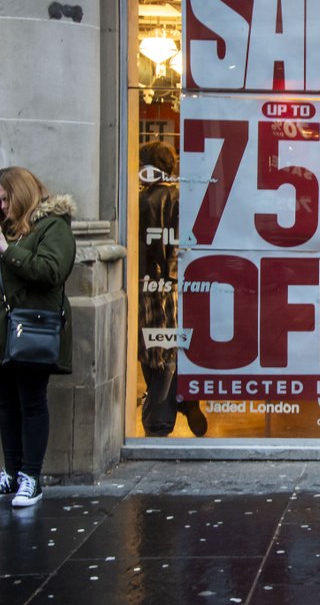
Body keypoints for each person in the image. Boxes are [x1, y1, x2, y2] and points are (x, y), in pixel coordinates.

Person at [0, 167, 76, 507]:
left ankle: (31, 477)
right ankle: (11, 475)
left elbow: (51, 271)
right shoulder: (6, 229)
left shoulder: (53, 226)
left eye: (6, 199)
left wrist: (6, 248)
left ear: (22, 193)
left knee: (31, 403)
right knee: (7, 405)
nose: (2, 207)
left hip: (31, 329)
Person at [138, 141, 207, 437]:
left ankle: (160, 419)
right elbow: (181, 246)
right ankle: (186, 400)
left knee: (155, 351)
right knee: (167, 347)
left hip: (149, 284)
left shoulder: (141, 200)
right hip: (171, 284)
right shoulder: (178, 198)